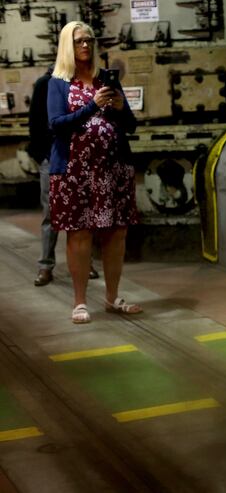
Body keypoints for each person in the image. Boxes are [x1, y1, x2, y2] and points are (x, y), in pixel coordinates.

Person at [47, 20, 142, 323]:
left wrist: (117, 107)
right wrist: (91, 105)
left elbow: (130, 126)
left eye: (89, 40)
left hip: (112, 170)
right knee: (80, 234)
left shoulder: (106, 79)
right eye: (78, 41)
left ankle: (113, 298)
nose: (85, 45)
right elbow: (57, 124)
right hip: (74, 172)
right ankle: (79, 302)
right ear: (67, 46)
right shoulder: (58, 82)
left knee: (116, 233)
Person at [28, 65, 99, 286]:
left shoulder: (82, 82)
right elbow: (35, 124)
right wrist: (43, 156)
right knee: (51, 213)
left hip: (80, 156)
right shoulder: (46, 83)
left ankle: (84, 263)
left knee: (81, 212)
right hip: (53, 158)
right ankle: (45, 266)